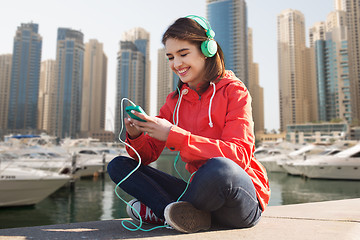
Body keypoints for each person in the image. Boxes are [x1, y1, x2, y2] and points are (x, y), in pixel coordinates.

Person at [107, 15, 270, 234]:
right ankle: (174, 213)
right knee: (119, 166)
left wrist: (174, 135)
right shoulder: (174, 101)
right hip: (199, 197)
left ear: (207, 50)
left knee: (220, 168)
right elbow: (145, 158)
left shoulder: (234, 90)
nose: (176, 64)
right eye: (171, 57)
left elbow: (239, 155)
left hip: (238, 198)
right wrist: (136, 134)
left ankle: (162, 211)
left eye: (183, 54)